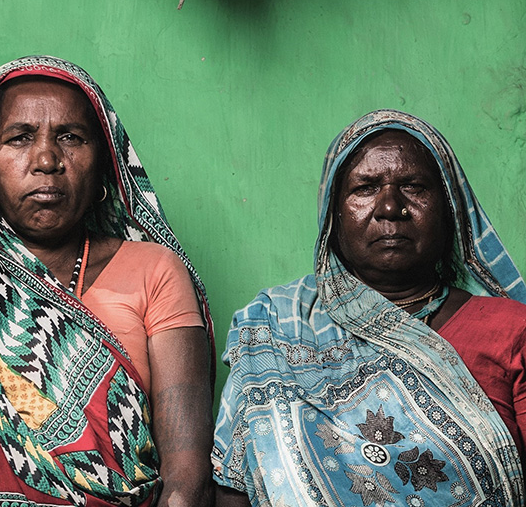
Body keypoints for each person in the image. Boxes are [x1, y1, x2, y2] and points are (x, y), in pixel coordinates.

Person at [0, 56, 214, 507]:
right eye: (20, 138)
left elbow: (185, 479)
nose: (46, 160)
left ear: (105, 164)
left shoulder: (154, 271)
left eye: (71, 138)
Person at [212, 110, 526, 507]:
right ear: (333, 215)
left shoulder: (511, 329)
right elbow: (234, 487)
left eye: (414, 186)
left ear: (450, 211)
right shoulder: (273, 323)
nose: (390, 208)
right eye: (365, 188)